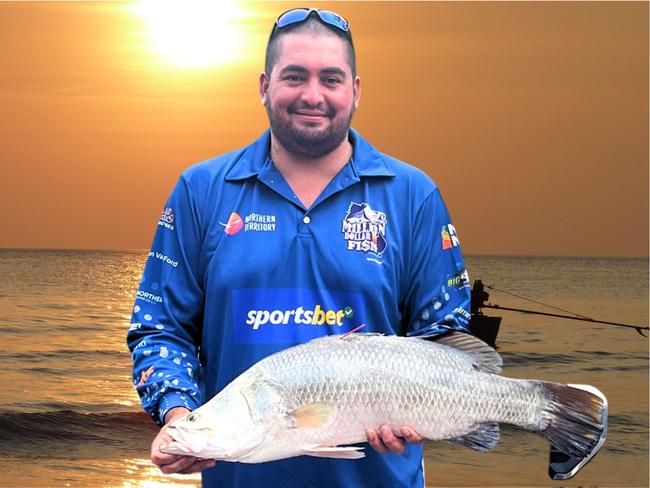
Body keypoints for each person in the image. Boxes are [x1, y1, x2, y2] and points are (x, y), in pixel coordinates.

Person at [127, 7, 472, 487]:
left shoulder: (413, 195)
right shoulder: (201, 190)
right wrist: (180, 416)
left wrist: (414, 407)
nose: (313, 95)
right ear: (265, 86)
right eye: (295, 77)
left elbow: (444, 333)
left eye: (331, 79)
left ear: (356, 90)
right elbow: (160, 327)